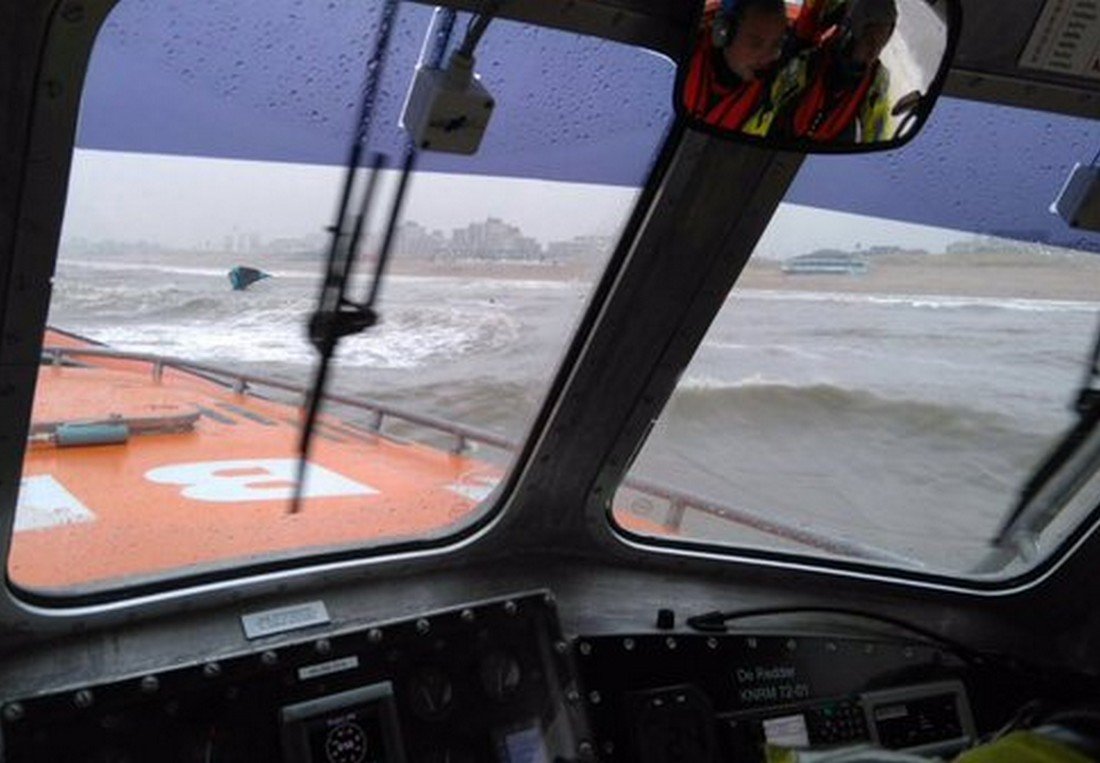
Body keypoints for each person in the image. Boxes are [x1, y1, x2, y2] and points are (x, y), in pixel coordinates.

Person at [769, 0, 897, 143]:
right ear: (852, 34)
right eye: (869, 41)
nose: (874, 52)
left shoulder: (875, 84)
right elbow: (769, 107)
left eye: (881, 45)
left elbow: (879, 135)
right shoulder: (809, 63)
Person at [681, 0, 790, 134]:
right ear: (723, 33)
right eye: (755, 44)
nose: (769, 57)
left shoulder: (777, 94)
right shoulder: (682, 55)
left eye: (776, 44)